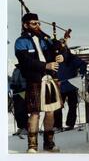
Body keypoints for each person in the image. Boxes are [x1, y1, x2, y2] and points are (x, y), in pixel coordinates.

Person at [15, 13, 64, 153]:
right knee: (35, 113)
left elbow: (58, 49)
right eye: (34, 23)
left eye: (38, 23)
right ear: (26, 25)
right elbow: (26, 61)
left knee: (50, 112)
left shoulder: (44, 40)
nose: (38, 26)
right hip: (34, 80)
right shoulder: (21, 41)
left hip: (49, 79)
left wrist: (61, 56)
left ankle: (49, 143)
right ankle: (32, 145)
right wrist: (45, 66)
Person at [54, 39, 87, 131]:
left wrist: (81, 73)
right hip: (59, 86)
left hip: (71, 84)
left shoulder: (71, 57)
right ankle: (57, 125)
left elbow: (83, 64)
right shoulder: (54, 56)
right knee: (57, 106)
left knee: (72, 105)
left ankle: (70, 124)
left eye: (62, 44)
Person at [9, 64, 28, 135]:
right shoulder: (15, 69)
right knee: (17, 111)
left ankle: (26, 127)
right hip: (16, 93)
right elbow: (12, 80)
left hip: (23, 92)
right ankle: (21, 127)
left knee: (22, 110)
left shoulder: (26, 68)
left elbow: (27, 80)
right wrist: (12, 85)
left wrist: (21, 86)